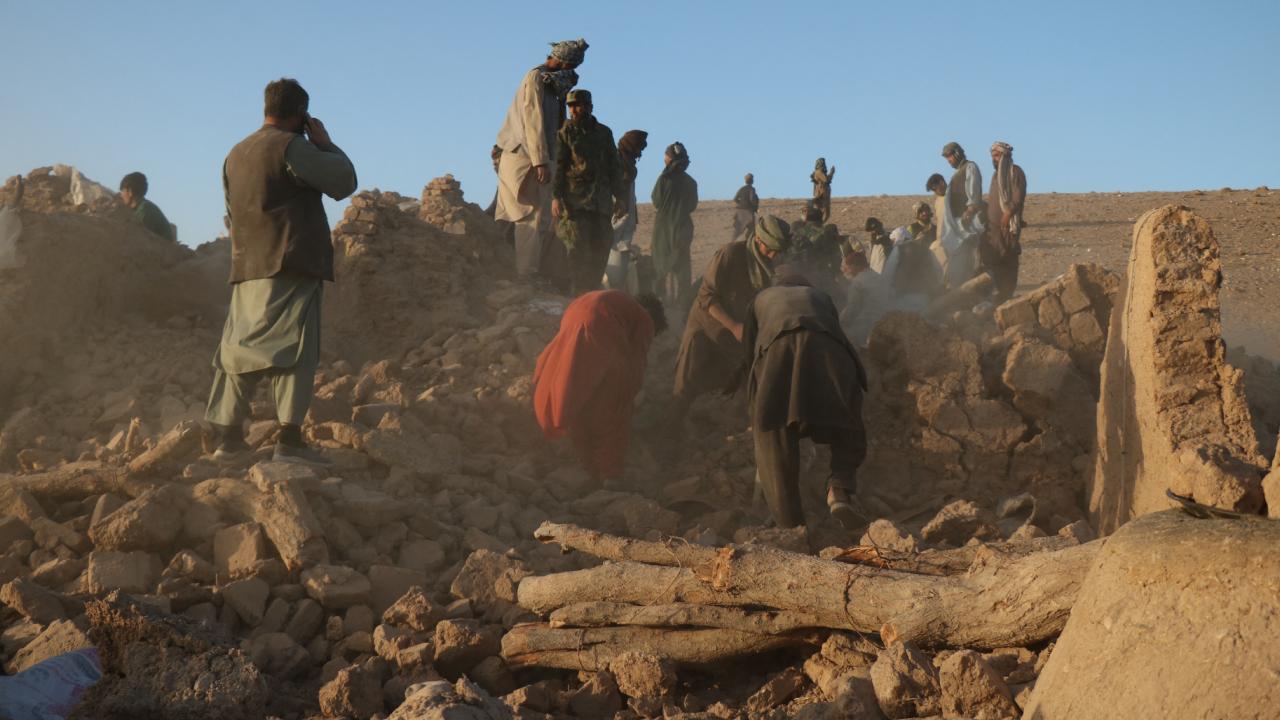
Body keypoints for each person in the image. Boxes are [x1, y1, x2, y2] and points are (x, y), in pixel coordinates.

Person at [205, 78, 357, 465]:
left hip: (247, 266)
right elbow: (343, 182)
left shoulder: (234, 154)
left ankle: (227, 437)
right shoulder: (293, 147)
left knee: (238, 348)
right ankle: (289, 439)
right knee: (296, 348)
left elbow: (230, 211)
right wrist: (325, 144)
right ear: (302, 115)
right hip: (291, 262)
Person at [732, 275, 869, 530]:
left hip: (778, 354)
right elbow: (838, 336)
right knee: (848, 424)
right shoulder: (820, 297)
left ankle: (791, 525)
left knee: (773, 436)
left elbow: (750, 355)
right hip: (830, 351)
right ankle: (839, 488)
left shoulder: (760, 300)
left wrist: (756, 412)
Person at [533, 290, 667, 483]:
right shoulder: (645, 319)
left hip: (574, 320)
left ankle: (586, 464)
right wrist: (629, 394)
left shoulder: (614, 301)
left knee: (579, 397)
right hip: (600, 330)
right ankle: (610, 475)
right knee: (615, 406)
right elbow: (637, 362)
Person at [669, 215, 790, 426]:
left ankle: (752, 427)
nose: (772, 255)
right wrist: (733, 326)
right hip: (707, 324)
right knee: (686, 381)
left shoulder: (773, 266)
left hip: (741, 328)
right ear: (758, 240)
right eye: (769, 250)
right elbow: (707, 296)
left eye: (777, 252)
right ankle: (670, 429)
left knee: (748, 376)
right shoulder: (731, 254)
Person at [495, 38, 589, 283]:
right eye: (571, 66)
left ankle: (532, 271)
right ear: (564, 62)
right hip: (525, 158)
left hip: (540, 157)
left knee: (543, 219)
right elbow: (533, 121)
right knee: (530, 217)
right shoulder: (536, 78)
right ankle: (525, 275)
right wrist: (540, 161)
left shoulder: (551, 82)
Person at [552, 89, 622, 296]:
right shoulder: (565, 132)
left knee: (600, 251)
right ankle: (579, 297)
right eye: (571, 106)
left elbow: (614, 166)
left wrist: (621, 197)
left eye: (578, 105)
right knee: (577, 252)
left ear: (590, 106)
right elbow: (559, 166)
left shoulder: (604, 133)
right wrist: (556, 197)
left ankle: (592, 293)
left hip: (601, 203)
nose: (574, 110)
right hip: (575, 203)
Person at [651, 141, 698, 307]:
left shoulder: (664, 179)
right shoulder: (691, 183)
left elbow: (656, 201)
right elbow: (692, 205)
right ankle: (683, 308)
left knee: (659, 267)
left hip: (663, 230)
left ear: (669, 159)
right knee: (683, 269)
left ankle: (660, 306)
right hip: (683, 228)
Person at [982, 141, 1027, 301]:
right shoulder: (996, 176)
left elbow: (1018, 197)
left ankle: (1007, 296)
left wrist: (1008, 213)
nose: (994, 159)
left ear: (1005, 156)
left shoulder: (1015, 172)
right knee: (994, 260)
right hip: (993, 229)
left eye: (996, 155)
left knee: (1008, 258)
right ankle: (997, 297)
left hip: (1007, 227)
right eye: (992, 156)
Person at [606, 129, 649, 292]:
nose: (640, 153)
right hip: (616, 220)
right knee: (613, 273)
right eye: (639, 148)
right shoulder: (617, 163)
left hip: (625, 222)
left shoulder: (627, 164)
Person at [838, 248, 892, 346]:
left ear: (856, 266)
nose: (847, 270)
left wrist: (841, 321)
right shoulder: (877, 276)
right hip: (885, 319)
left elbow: (853, 308)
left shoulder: (858, 283)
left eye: (849, 267)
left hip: (866, 324)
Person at [118, 172, 175, 242]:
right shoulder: (144, 207)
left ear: (130, 191)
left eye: (122, 191)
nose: (121, 195)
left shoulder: (145, 209)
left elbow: (139, 238)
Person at [732, 173, 759, 240]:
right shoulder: (752, 189)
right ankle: (747, 242)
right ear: (752, 180)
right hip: (748, 212)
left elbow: (735, 199)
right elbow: (752, 199)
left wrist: (741, 204)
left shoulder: (741, 189)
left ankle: (732, 242)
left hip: (739, 212)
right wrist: (754, 207)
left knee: (738, 231)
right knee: (752, 229)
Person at [810, 158, 836, 223]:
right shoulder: (818, 172)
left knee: (827, 214)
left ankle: (820, 225)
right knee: (821, 213)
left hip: (825, 196)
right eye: (822, 163)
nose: (824, 164)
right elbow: (826, 180)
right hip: (821, 196)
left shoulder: (821, 172)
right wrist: (832, 173)